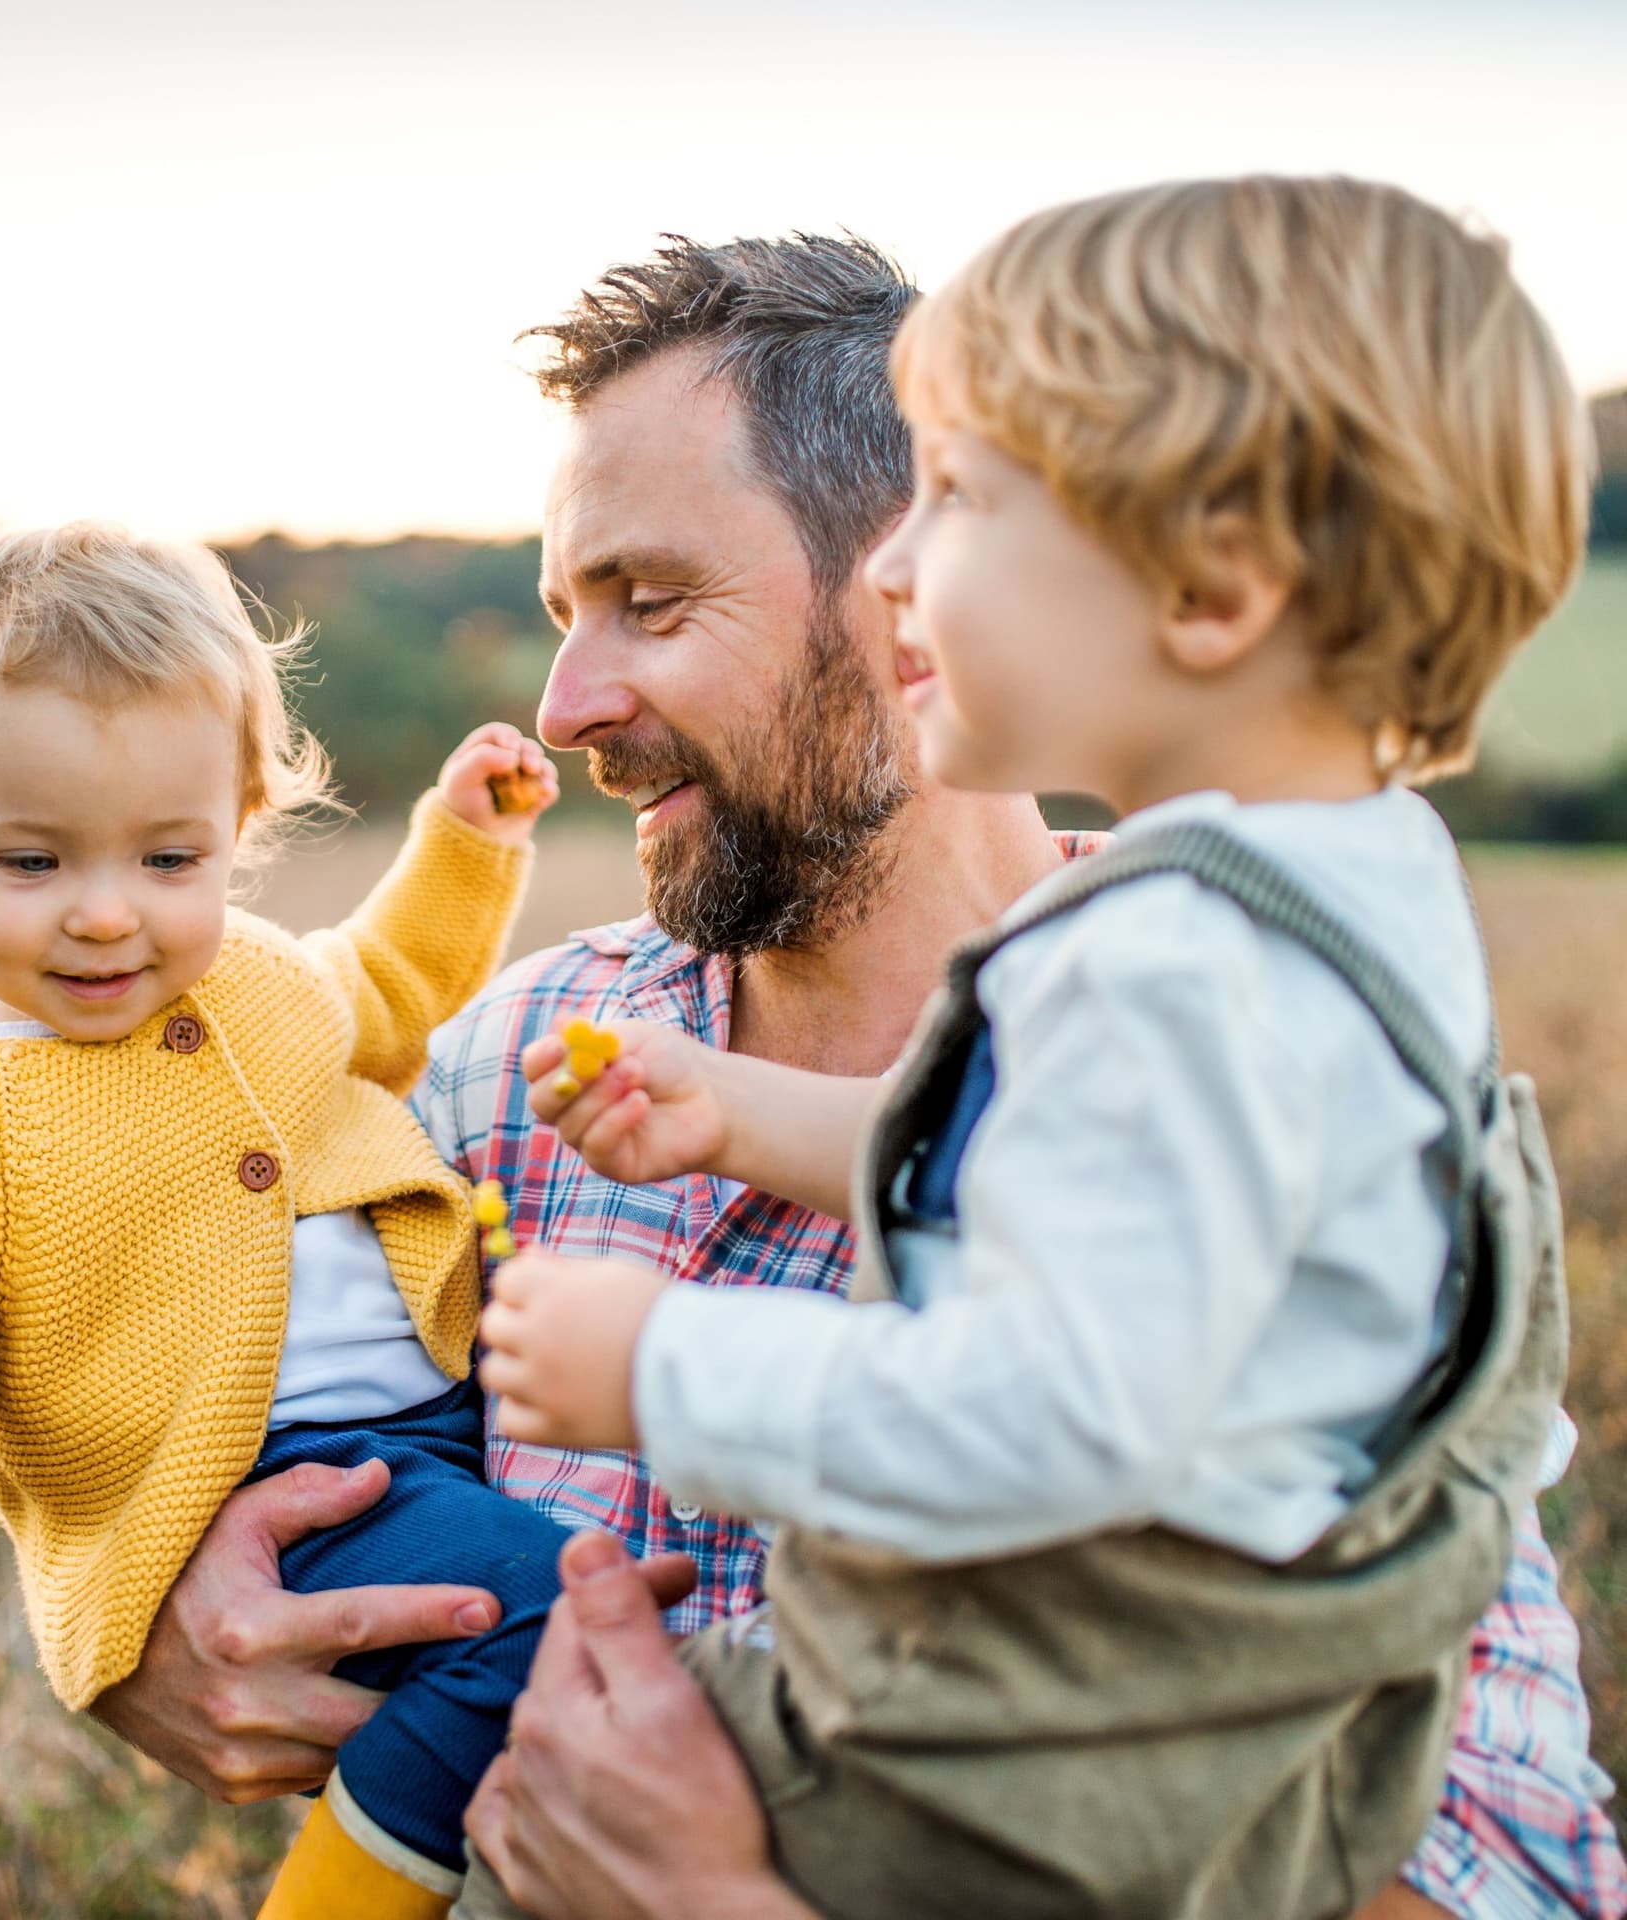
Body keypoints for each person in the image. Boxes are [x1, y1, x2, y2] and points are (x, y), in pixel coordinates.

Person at [89, 238, 1625, 1920]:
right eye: (563, 617)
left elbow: (1507, 1868)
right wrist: (142, 1617)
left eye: (651, 601)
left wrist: (723, 1905)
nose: (567, 706)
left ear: (904, 586)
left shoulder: (1279, 1070)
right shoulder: (502, 1075)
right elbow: (192, 1370)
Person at [0, 523, 575, 1917]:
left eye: (169, 859)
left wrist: (466, 842)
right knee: (549, 1609)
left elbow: (387, 984)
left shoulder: (259, 981)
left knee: (582, 1620)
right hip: (276, 1487)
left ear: (238, 825)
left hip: (448, 1424)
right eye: (32, 863)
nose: (104, 916)